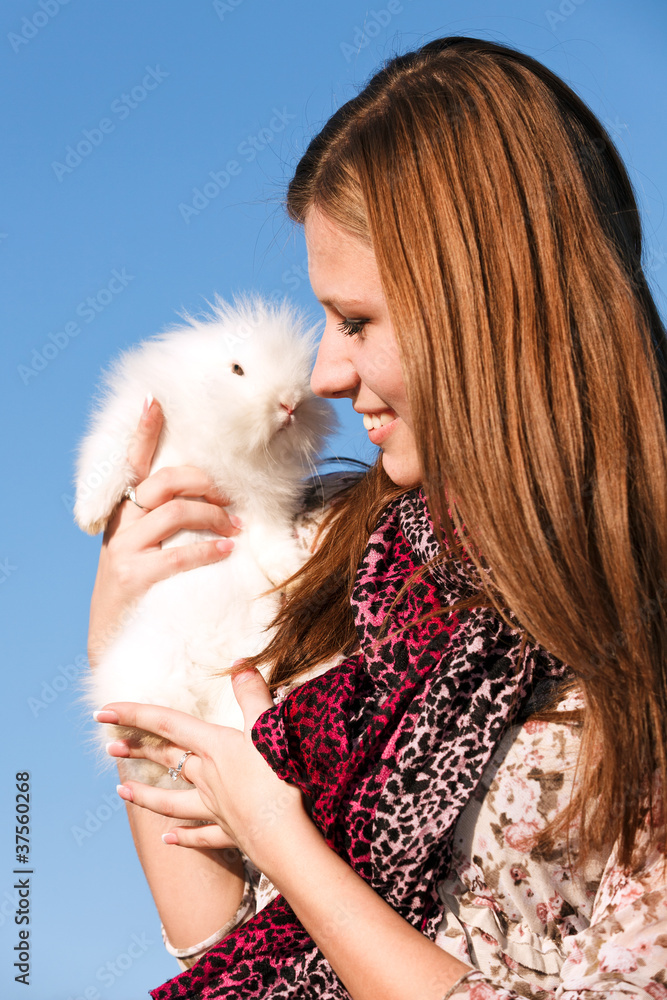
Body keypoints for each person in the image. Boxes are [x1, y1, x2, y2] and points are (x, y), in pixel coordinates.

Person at [88, 36, 667, 1000]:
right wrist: (126, 625)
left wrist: (288, 843)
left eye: (355, 321)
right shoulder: (339, 558)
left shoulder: (642, 637)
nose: (324, 372)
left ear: (483, 308)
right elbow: (223, 951)